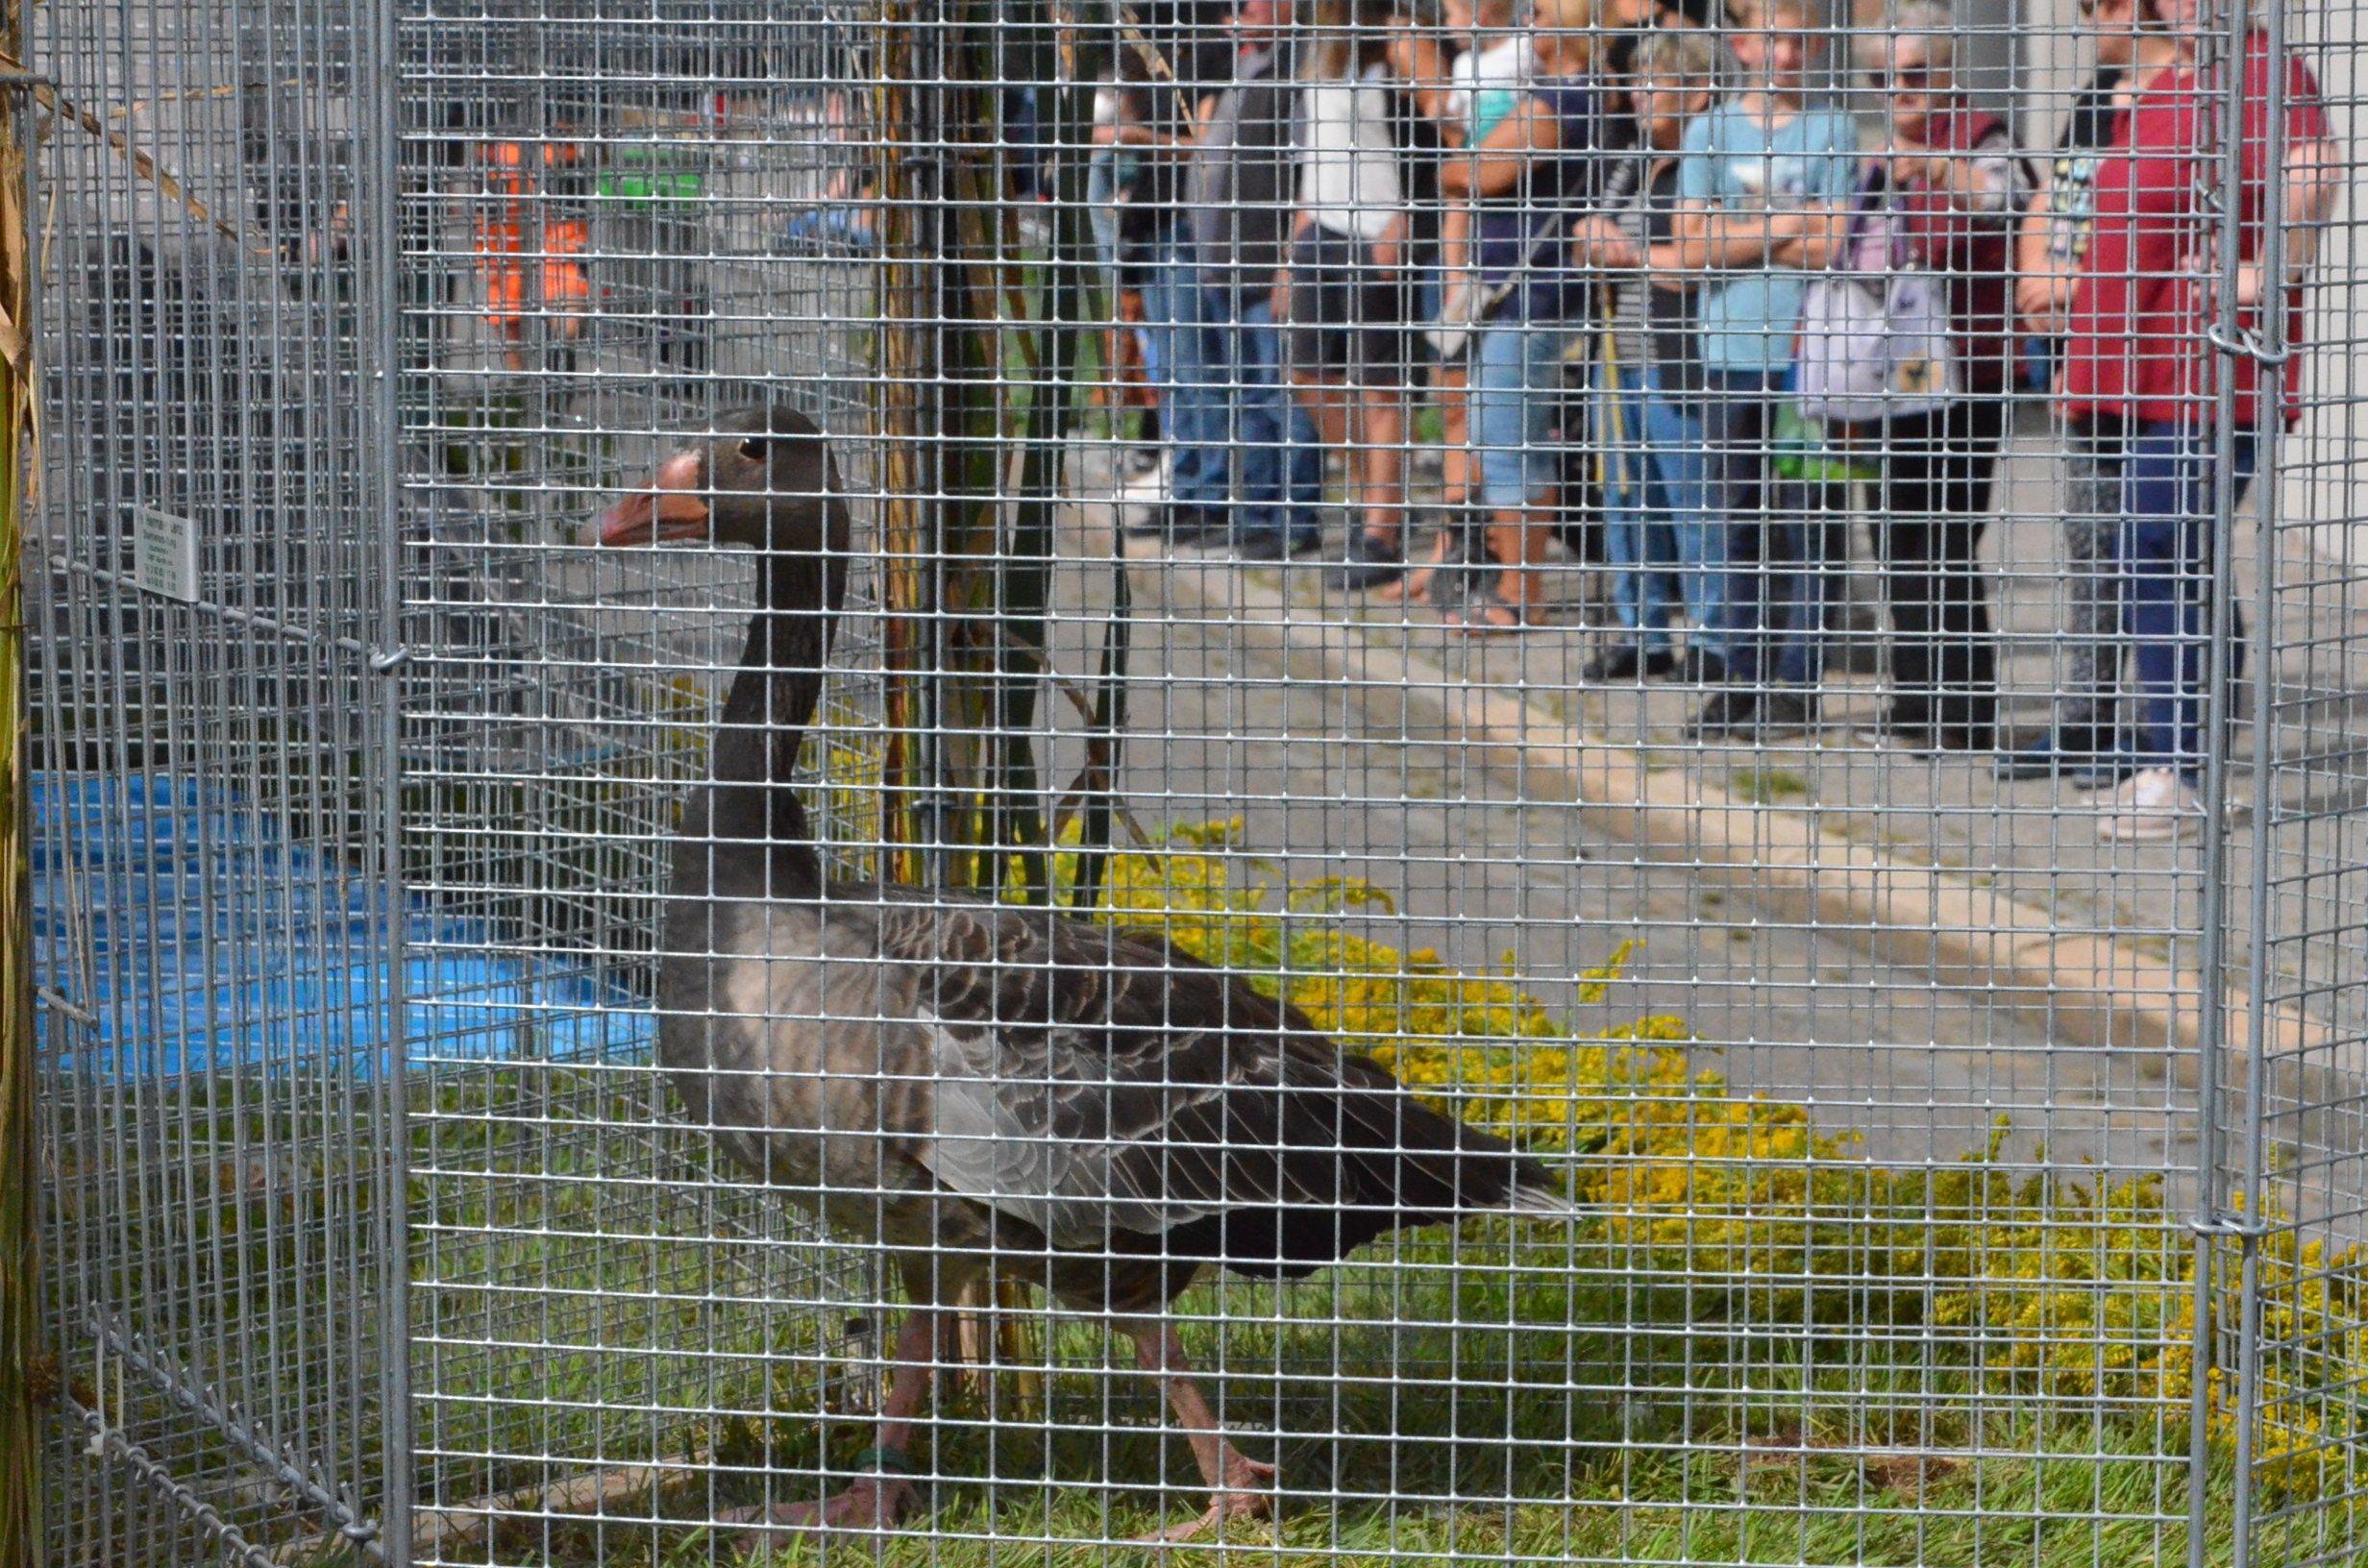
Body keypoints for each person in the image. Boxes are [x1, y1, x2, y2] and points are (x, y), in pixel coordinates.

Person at [2059, 0, 2337, 839]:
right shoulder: (2170, 78)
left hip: (2204, 370)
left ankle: (2180, 769)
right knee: (2169, 556)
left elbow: (2316, 171)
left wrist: (2269, 272)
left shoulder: (2266, 68)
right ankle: (2180, 764)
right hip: (2125, 369)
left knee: (2160, 541)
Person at [1806, 1, 2027, 751]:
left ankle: (1960, 714)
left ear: (1947, 67)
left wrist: (1935, 166)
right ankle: (1914, 708)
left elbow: (2008, 203)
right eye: (1885, 78)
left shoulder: (1981, 136)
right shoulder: (1876, 158)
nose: (1901, 90)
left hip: (1966, 372)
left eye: (1914, 73)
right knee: (1895, 536)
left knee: (1943, 540)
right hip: (1888, 374)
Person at [1670, 0, 1860, 737]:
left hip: (1813, 357)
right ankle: (1741, 674)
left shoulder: (1833, 128)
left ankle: (1794, 683)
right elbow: (1686, 243)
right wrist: (1788, 224)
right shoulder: (1709, 130)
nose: (1783, 56)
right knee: (1737, 521)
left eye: (1798, 43)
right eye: (1770, 42)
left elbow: (1836, 243)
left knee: (1810, 522)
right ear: (1743, 46)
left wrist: (1737, 229)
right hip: (1729, 349)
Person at [1404, 0, 1611, 631]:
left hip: (1533, 296)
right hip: (1514, 292)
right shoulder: (1548, 96)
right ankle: (1506, 587)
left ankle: (1520, 597)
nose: (1530, 25)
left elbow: (1465, 170)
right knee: (1500, 443)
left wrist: (1466, 158)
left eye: (1543, 14)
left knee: (1511, 450)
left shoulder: (1564, 102)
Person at [1995, 0, 2148, 781]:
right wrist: (2035, 277)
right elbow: (2053, 196)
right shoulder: (2098, 94)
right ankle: (2085, 719)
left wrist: (2074, 285)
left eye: (2106, 6)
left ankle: (2169, 720)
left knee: (2164, 541)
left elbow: (2155, 234)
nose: (2093, 21)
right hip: (2082, 353)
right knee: (2088, 535)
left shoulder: (2184, 99)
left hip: (2153, 360)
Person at [1584, 19, 1724, 682]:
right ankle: (1642, 633)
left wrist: (1629, 250)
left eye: (1654, 83)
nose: (1638, 94)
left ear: (1698, 93)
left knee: (1695, 505)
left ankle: (1712, 642)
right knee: (1627, 500)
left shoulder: (1711, 161)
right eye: (1635, 82)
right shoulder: (1635, 161)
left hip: (1681, 359)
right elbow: (1597, 239)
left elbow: (1701, 258)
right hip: (1621, 357)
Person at [1280, 0, 1425, 588]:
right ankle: (1378, 491)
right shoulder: (1323, 47)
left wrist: (1405, 216)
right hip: (1321, 225)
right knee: (1308, 373)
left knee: (1379, 382)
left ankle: (1381, 530)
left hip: (1378, 228)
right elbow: (1314, 150)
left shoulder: (1396, 40)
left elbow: (1436, 133)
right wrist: (1294, 245)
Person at [1173, 0, 1325, 559]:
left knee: (1279, 393)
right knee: (1246, 395)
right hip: (1222, 265)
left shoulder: (1294, 71)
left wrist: (1289, 258)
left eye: (1257, 2)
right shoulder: (1245, 66)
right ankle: (1256, 510)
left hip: (1264, 264)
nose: (1243, 9)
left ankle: (1293, 517)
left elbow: (1305, 169)